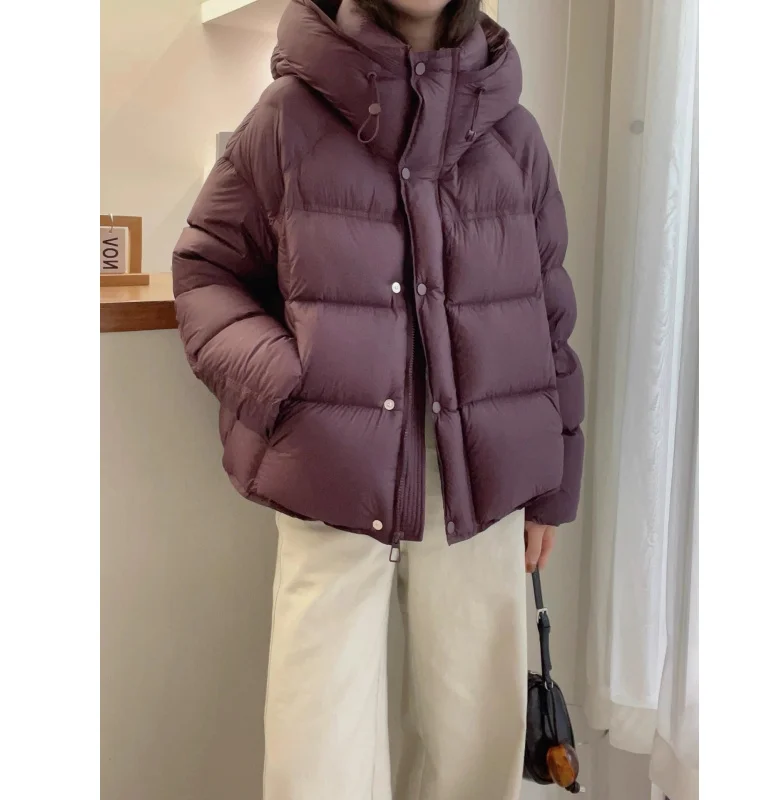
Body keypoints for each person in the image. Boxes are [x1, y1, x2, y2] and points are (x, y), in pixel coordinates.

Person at [172, 0, 584, 797]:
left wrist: (554, 487)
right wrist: (286, 383)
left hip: (482, 482)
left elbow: (550, 316)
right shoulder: (287, 119)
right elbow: (205, 270)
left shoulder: (514, 135)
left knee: (477, 743)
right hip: (329, 478)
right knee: (316, 750)